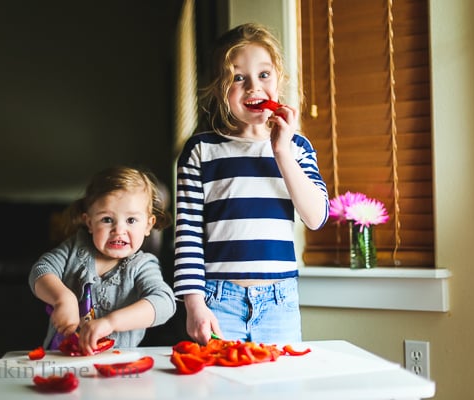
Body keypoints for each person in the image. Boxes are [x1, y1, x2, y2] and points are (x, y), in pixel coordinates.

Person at [173, 23, 329, 345]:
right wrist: (194, 304)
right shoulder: (200, 151)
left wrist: (281, 151)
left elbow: (316, 217)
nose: (253, 87)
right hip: (218, 301)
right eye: (238, 77)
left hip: (279, 303)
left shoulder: (297, 147)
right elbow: (187, 234)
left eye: (264, 75)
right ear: (219, 89)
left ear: (279, 80)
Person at [29, 166, 176, 354]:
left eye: (131, 220)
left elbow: (164, 302)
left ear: (148, 225)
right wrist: (62, 299)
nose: (119, 230)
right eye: (107, 219)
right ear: (89, 222)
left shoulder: (142, 266)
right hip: (60, 357)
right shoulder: (75, 248)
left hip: (115, 365)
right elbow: (40, 270)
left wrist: (111, 322)